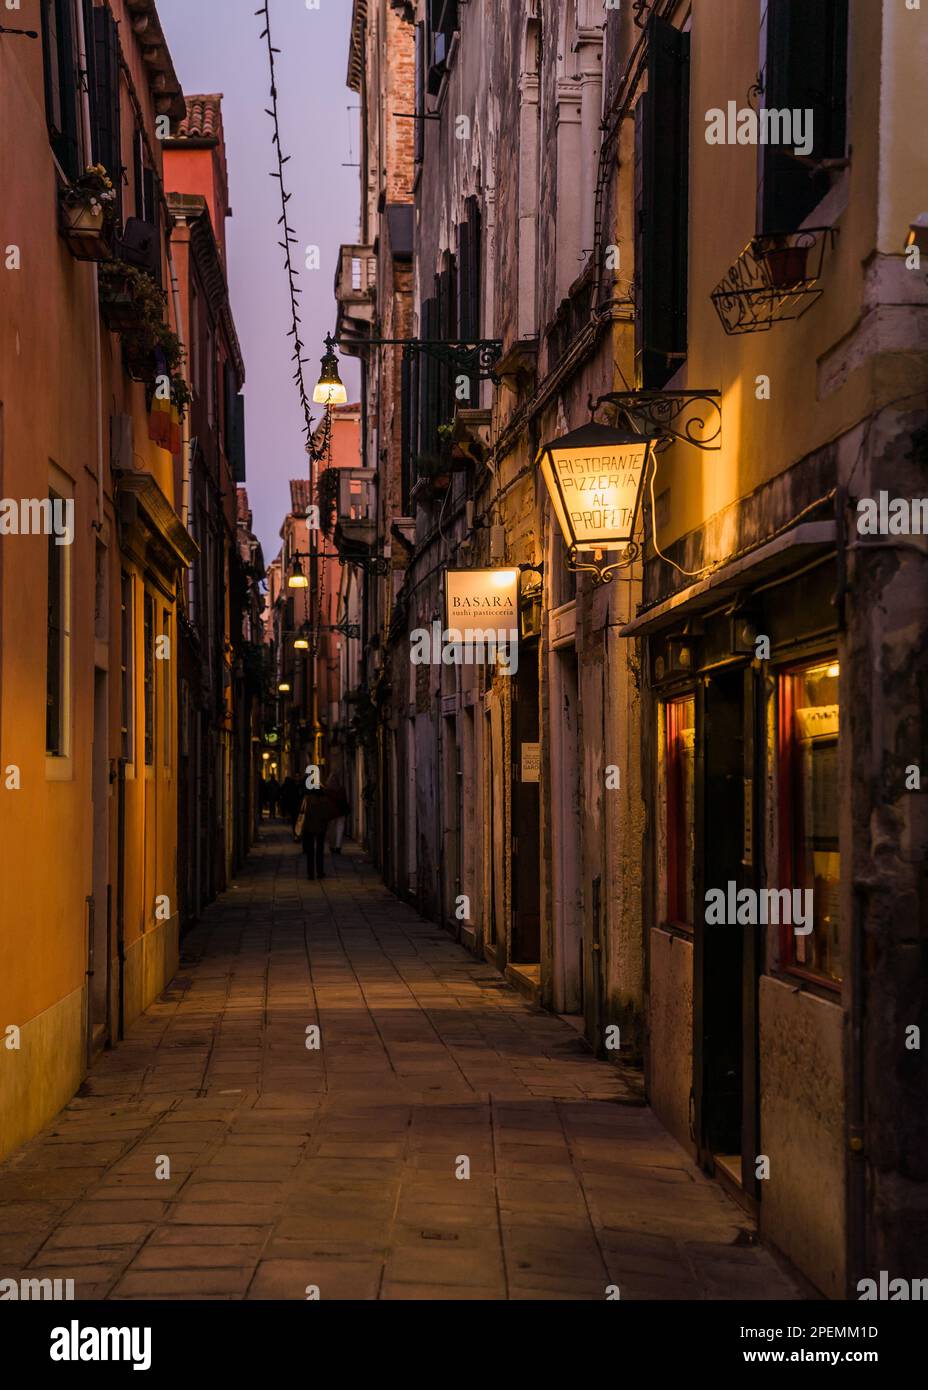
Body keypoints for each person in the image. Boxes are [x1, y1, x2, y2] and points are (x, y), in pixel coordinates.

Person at [300, 782, 337, 879]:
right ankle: (320, 872)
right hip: (321, 828)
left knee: (310, 851)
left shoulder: (307, 799)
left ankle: (310, 873)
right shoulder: (325, 800)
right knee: (320, 850)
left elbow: (302, 812)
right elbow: (330, 813)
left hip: (308, 828)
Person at [326, 773, 350, 854]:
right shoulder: (341, 789)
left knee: (332, 831)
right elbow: (344, 800)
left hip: (331, 814)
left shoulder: (327, 790)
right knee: (340, 830)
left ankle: (332, 846)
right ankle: (338, 847)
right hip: (340, 812)